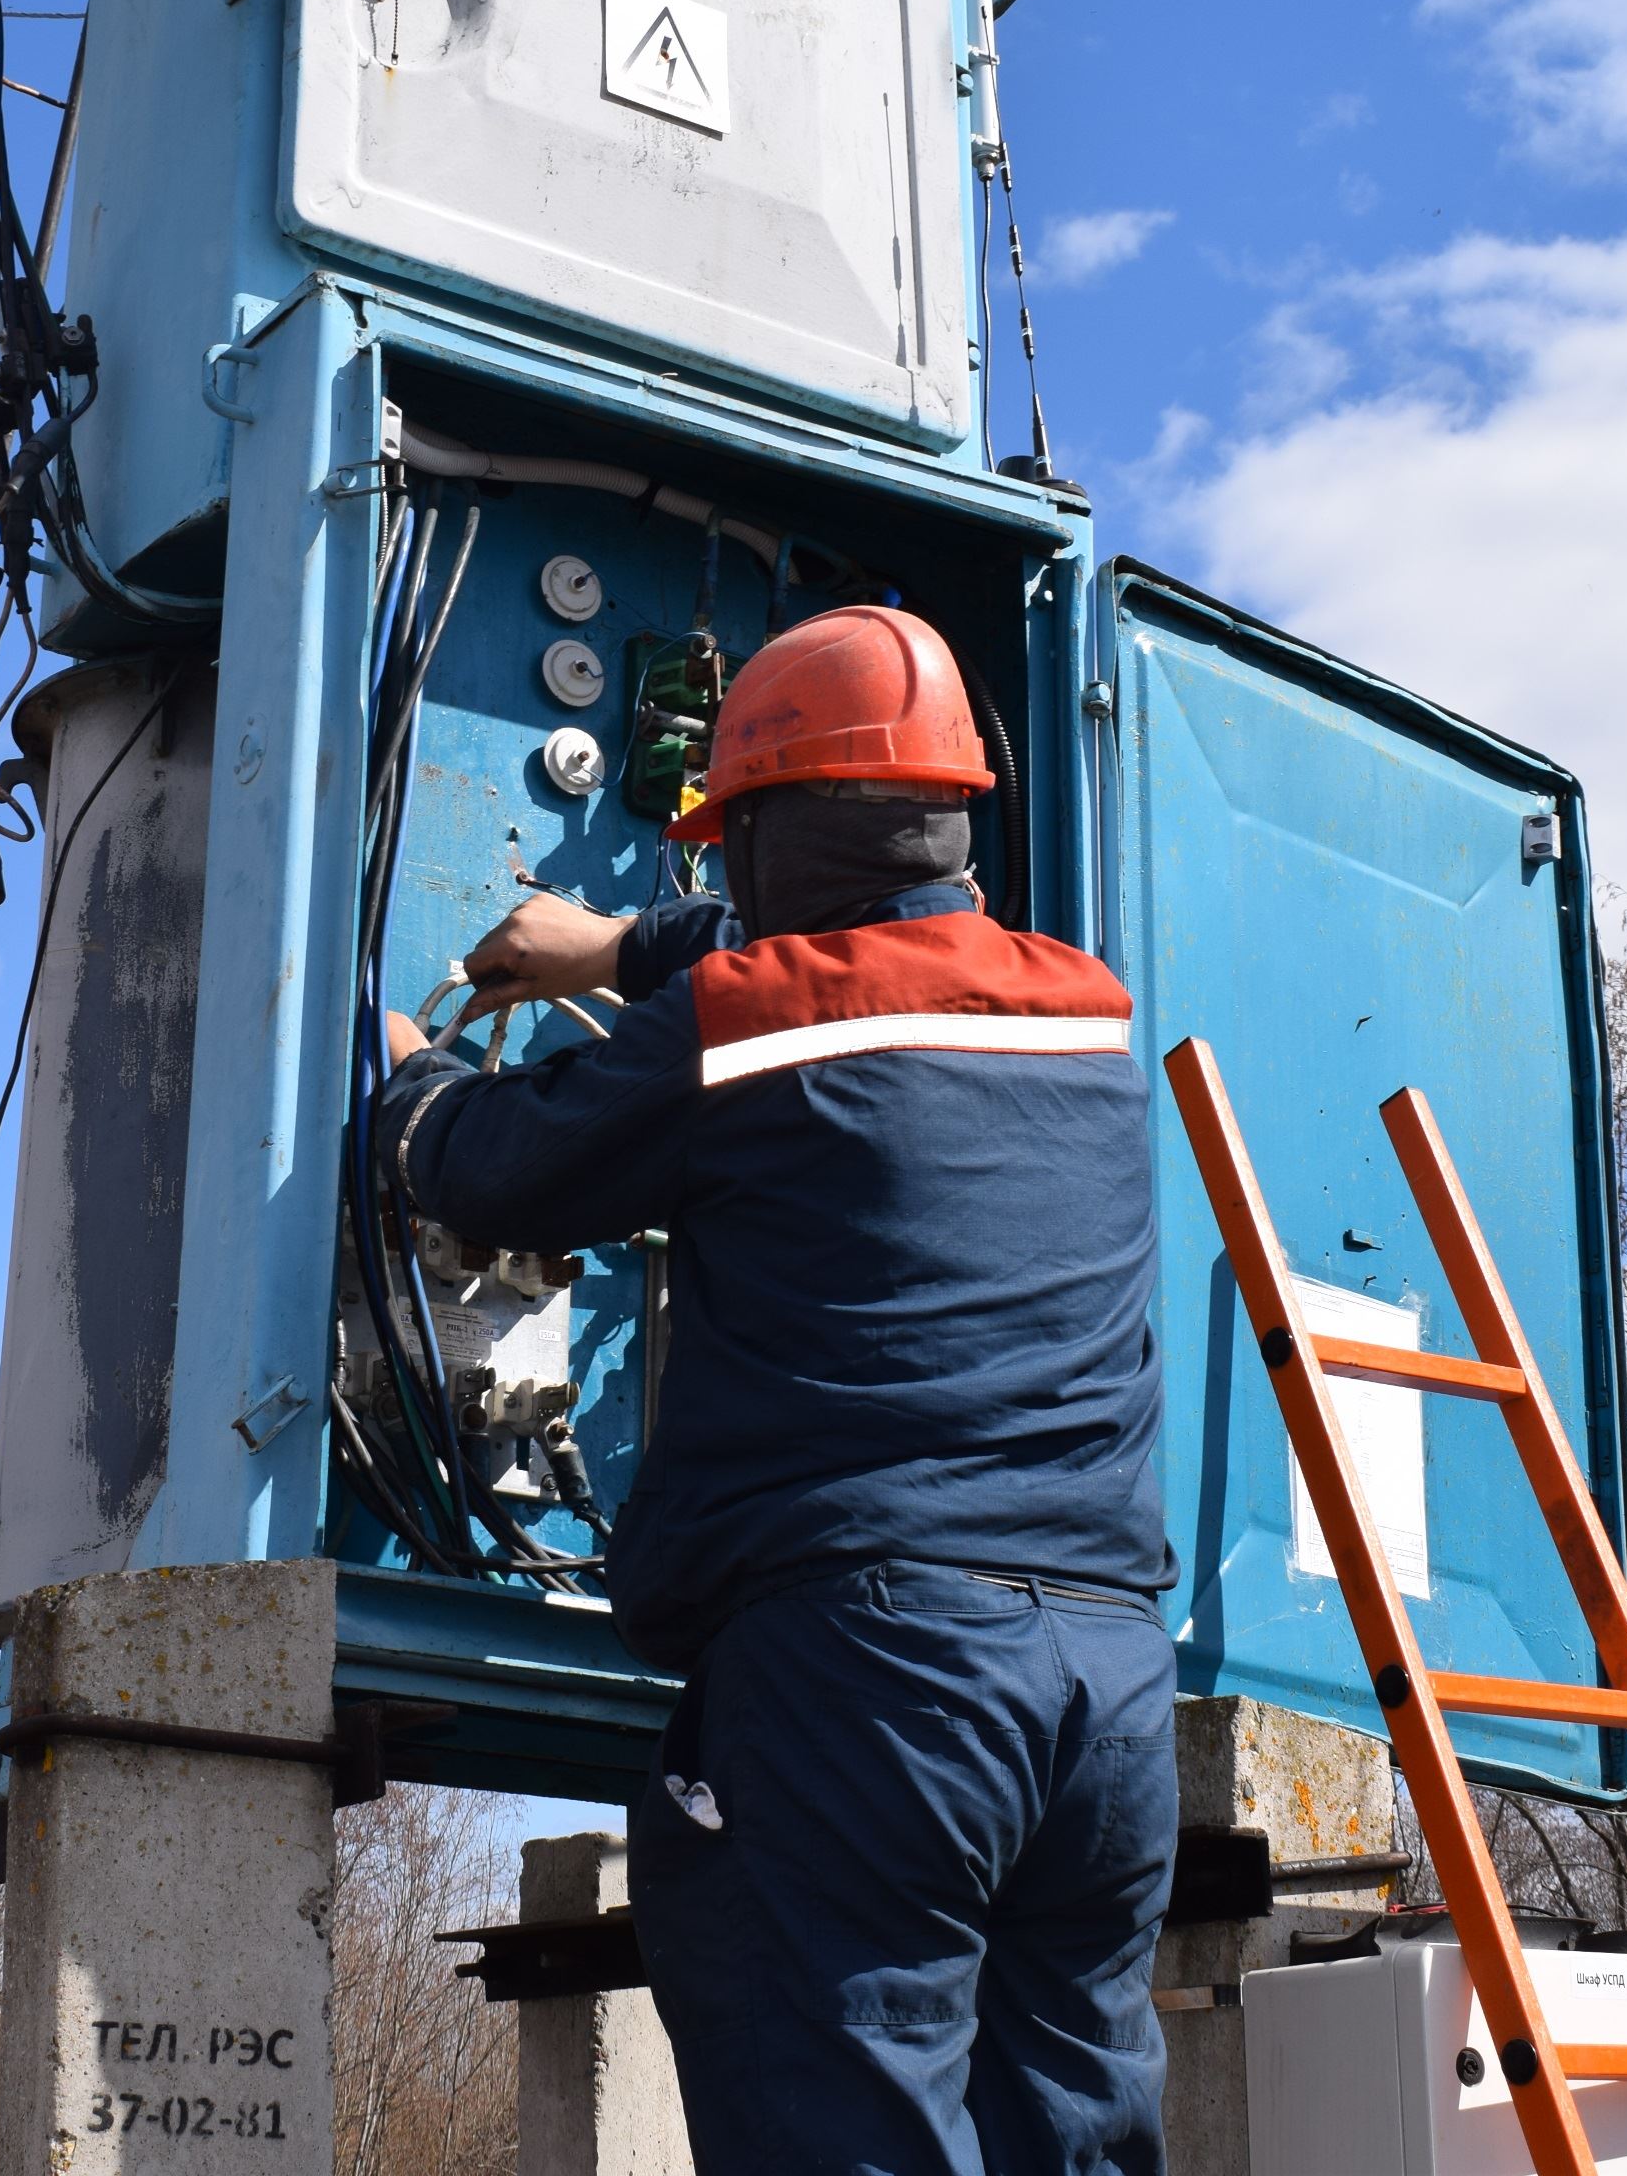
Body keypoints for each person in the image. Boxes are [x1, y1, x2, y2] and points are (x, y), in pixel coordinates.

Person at [372, 604, 1177, 2176]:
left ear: (771, 832)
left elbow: (478, 1170)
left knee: (841, 2124)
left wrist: (403, 1073)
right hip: (1106, 1692)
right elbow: (864, 961)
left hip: (877, 1683)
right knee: (1073, 2142)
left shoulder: (748, 1027)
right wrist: (623, 947)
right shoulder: (1086, 1015)